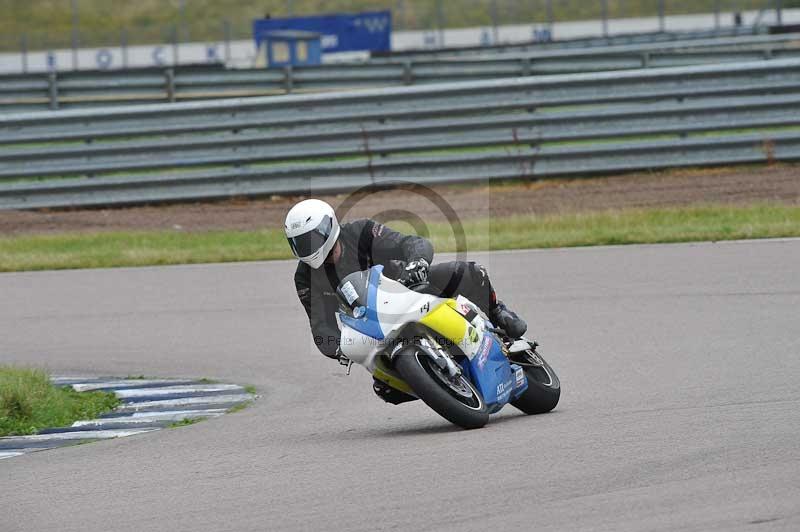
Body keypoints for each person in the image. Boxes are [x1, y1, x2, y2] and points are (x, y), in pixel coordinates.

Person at [286, 199, 527, 397]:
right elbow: (320, 325)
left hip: (409, 288)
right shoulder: (305, 278)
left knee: (470, 273)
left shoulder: (362, 232)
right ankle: (436, 381)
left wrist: (418, 263)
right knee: (386, 390)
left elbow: (412, 243)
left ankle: (498, 312)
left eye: (310, 239)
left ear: (327, 229)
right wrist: (339, 348)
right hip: (374, 328)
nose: (306, 248)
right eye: (298, 243)